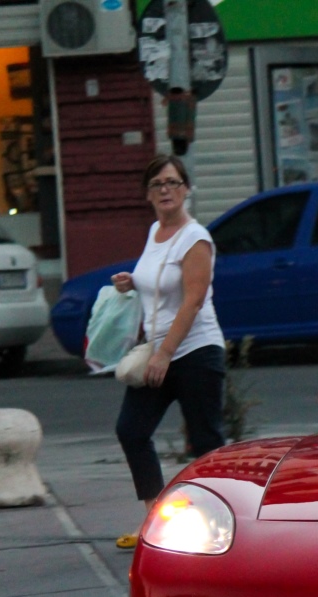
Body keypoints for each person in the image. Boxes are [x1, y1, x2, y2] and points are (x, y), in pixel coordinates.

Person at [113, 154, 226, 547]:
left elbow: (192, 301)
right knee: (131, 430)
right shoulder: (154, 232)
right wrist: (133, 282)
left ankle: (222, 526)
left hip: (195, 353)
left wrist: (165, 354)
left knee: (206, 444)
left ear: (186, 190)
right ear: (148, 194)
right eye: (157, 184)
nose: (165, 190)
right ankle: (156, 521)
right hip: (160, 353)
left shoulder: (196, 238)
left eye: (173, 183)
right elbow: (160, 281)